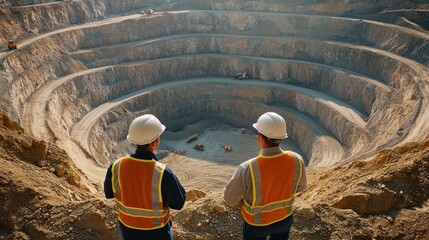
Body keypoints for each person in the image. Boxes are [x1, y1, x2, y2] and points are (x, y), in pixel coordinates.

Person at [223, 112, 307, 240]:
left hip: (256, 224)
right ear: (281, 138)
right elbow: (301, 187)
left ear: (260, 138)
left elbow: (229, 199)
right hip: (284, 219)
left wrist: (242, 204)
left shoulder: (247, 168)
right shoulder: (296, 159)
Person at [104, 114, 186, 240]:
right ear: (154, 142)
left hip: (127, 229)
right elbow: (178, 203)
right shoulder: (162, 172)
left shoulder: (116, 166)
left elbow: (109, 194)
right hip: (156, 233)